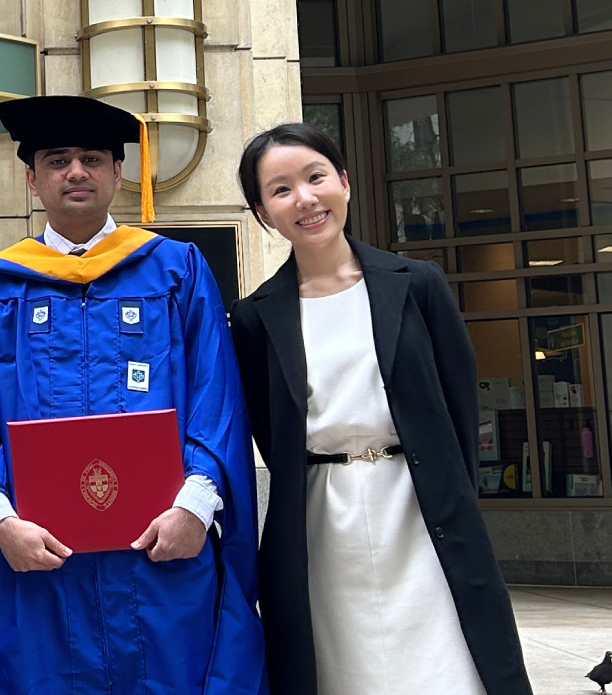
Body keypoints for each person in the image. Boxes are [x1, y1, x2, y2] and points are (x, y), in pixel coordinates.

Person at [0, 95, 266, 695]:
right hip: (41, 563)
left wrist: (196, 506)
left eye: (92, 158)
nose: (76, 172)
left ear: (118, 173)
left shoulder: (176, 271)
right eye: (57, 160)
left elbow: (215, 397)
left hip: (162, 556)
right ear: (32, 179)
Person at [228, 123, 532, 695]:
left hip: (421, 508)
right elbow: (270, 431)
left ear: (344, 182)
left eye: (316, 177)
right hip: (322, 515)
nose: (305, 199)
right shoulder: (254, 317)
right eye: (281, 189)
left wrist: (453, 498)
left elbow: (458, 406)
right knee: (340, 664)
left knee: (449, 660)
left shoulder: (416, 284)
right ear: (263, 212)